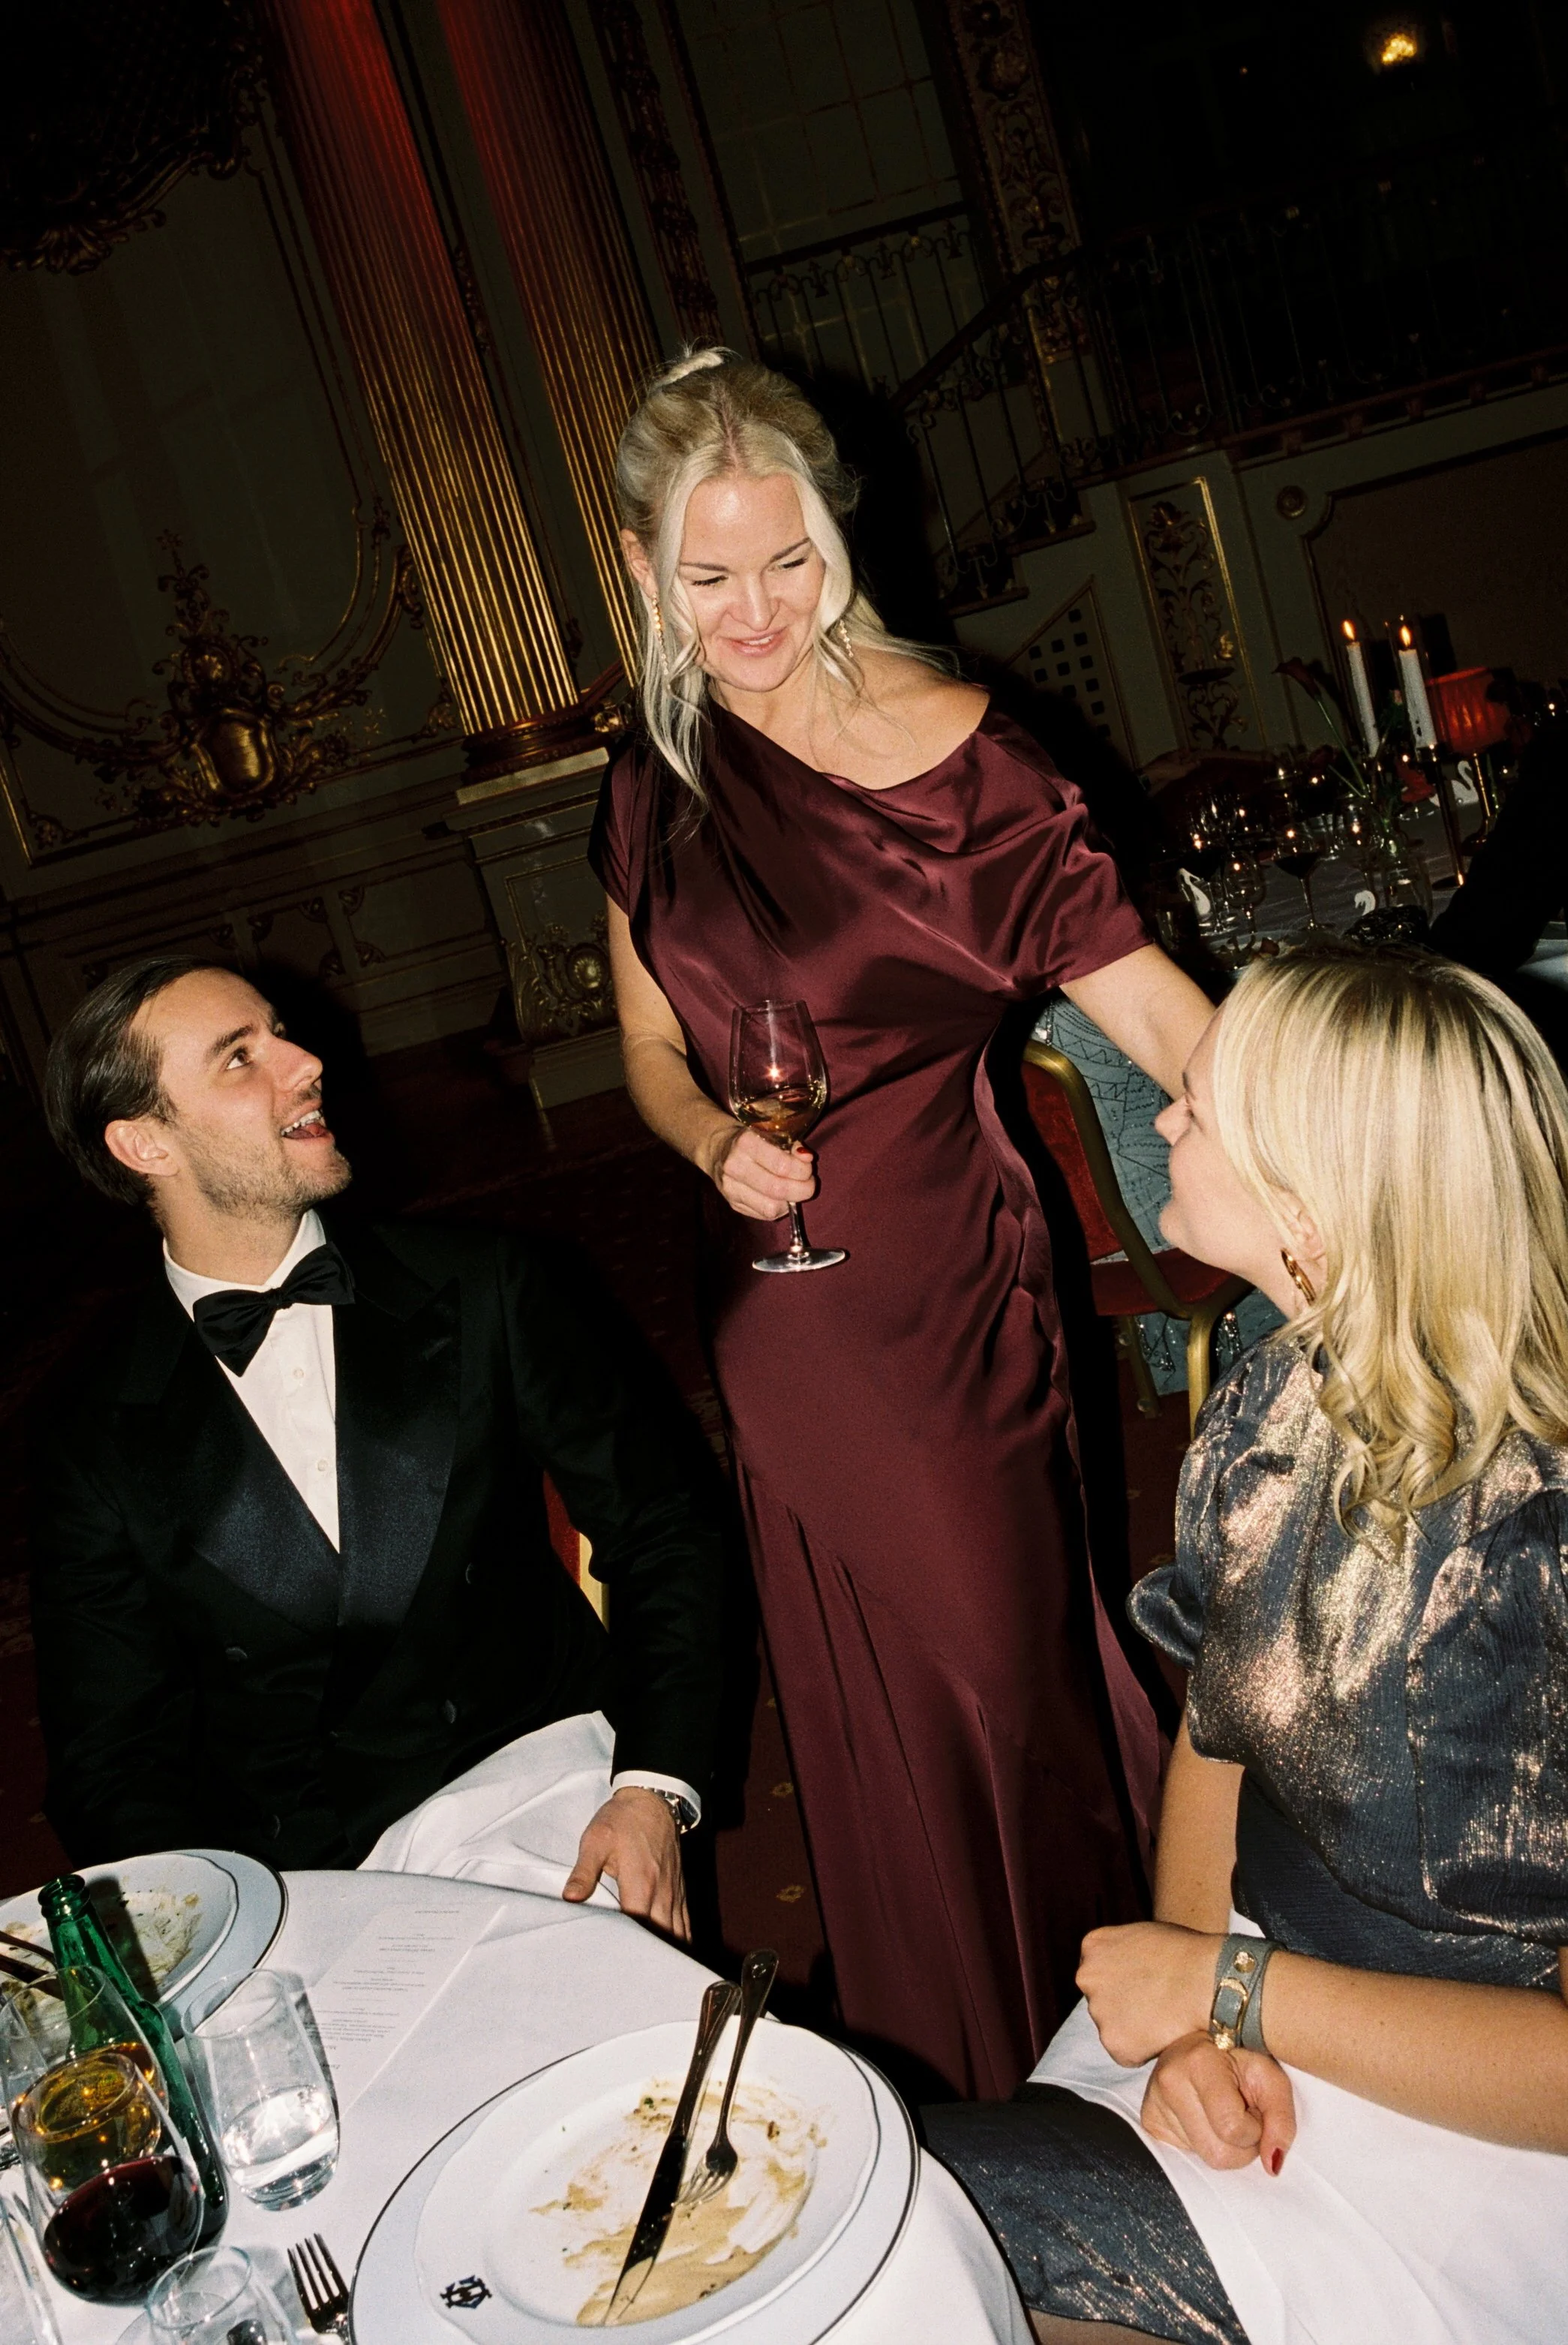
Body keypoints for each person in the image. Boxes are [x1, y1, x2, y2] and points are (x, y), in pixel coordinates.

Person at [593, 348, 1215, 2097]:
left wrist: (1369, 1156)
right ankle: (960, 2060)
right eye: (707, 575)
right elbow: (643, 1044)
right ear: (641, 566)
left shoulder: (965, 755)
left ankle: (1090, 2042)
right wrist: (708, 1132)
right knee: (860, 1699)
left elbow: (1166, 1018)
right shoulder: (652, 772)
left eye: (785, 559)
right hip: (770, 1307)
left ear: (833, 541)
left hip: (947, 1285)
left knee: (998, 1677)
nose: (753, 609)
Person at [924, 946, 1568, 2344]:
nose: (1158, 1120)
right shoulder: (1274, 1389)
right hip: (1256, 2006)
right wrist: (1202, 2015)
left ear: (1313, 1200)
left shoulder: (1547, 1531)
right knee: (909, 2233)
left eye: (1198, 1109)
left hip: (1473, 2130)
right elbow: (1217, 1745)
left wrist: (1234, 1988)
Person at [32, 957, 725, 1936]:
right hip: (301, 1881)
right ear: (145, 1142)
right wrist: (226, 1927)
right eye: (241, 1059)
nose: (307, 1062)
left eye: (283, 1035)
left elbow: (663, 1531)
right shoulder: (88, 1432)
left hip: (543, 1790)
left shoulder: (488, 1285)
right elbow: (112, 1760)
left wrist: (652, 1789)